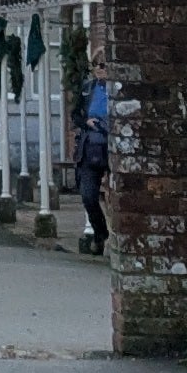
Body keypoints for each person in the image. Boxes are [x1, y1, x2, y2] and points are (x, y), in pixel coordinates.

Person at [74, 70, 112, 259]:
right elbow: (76, 115)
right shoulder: (88, 89)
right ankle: (100, 233)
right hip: (90, 150)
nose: (100, 69)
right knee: (88, 196)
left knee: (115, 197)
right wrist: (86, 122)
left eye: (104, 64)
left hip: (112, 149)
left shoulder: (119, 89)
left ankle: (117, 240)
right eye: (97, 64)